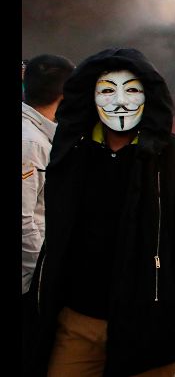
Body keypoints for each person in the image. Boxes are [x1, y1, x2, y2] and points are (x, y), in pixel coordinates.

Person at [23, 48, 175, 376]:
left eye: (131, 89)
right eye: (108, 90)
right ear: (92, 97)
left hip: (149, 326)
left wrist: (172, 298)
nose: (120, 100)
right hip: (78, 322)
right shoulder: (73, 152)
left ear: (148, 95)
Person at [22, 54, 75, 353]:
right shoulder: (29, 142)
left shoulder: (39, 135)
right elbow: (24, 221)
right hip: (30, 282)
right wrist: (40, 280)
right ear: (63, 94)